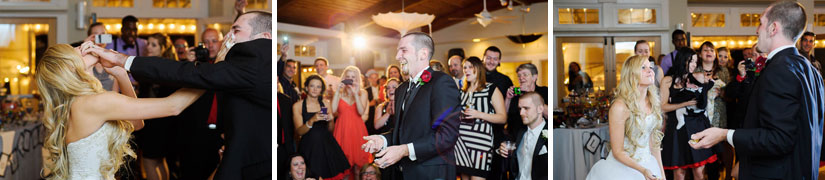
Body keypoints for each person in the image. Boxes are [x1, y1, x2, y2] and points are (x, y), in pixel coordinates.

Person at [85, 11, 274, 179]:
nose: (226, 37)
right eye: (84, 48)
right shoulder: (257, 64)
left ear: (265, 37)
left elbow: (173, 102)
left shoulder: (255, 62)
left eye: (235, 31)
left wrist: (121, 63)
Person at [689, 2, 825, 179]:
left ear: (773, 28)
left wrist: (724, 134)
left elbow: (779, 138)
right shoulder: (810, 70)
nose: (756, 30)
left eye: (761, 23)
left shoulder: (780, 69)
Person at [37, 44, 203, 179]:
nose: (85, 46)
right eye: (79, 50)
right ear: (70, 66)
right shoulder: (93, 103)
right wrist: (212, 75)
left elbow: (136, 124)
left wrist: (121, 75)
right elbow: (173, 106)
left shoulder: (80, 101)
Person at [361, 32, 461, 179]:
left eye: (403, 50)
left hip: (431, 172)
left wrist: (404, 150)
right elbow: (403, 131)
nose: (397, 56)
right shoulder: (402, 89)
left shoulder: (441, 83)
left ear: (423, 53)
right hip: (404, 172)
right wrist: (383, 140)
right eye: (398, 51)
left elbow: (446, 136)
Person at [586, 55, 664, 180]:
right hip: (623, 169)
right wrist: (642, 171)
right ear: (631, 74)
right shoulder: (620, 107)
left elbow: (654, 145)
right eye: (643, 67)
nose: (650, 71)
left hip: (649, 165)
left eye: (650, 67)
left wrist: (662, 174)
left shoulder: (653, 102)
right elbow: (618, 152)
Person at [660, 47, 716, 180]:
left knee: (699, 171)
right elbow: (662, 107)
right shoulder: (668, 80)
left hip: (697, 126)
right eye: (690, 61)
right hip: (677, 129)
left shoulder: (697, 78)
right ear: (682, 60)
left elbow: (703, 102)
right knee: (679, 172)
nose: (693, 65)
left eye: (695, 62)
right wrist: (684, 104)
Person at [453, 57, 507, 180]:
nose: (466, 70)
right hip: (461, 144)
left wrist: (479, 114)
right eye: (465, 67)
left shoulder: (491, 89)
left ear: (479, 69)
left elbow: (503, 117)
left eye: (470, 67)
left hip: (480, 146)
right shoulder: (462, 92)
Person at [136, 33, 179, 180]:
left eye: (153, 45)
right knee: (160, 160)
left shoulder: (159, 67)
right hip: (163, 121)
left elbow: (153, 95)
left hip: (157, 122)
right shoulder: (164, 65)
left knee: (148, 161)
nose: (148, 47)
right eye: (148, 43)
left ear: (163, 48)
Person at [293, 75, 350, 180]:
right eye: (312, 86)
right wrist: (312, 120)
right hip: (309, 147)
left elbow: (330, 130)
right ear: (306, 88)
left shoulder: (325, 104)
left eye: (318, 87)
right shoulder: (298, 106)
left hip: (327, 145)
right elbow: (299, 132)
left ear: (321, 90)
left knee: (333, 175)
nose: (315, 89)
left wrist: (331, 120)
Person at [332, 66, 373, 179]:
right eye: (348, 77)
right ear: (344, 78)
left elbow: (361, 112)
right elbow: (333, 110)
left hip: (357, 131)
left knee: (358, 169)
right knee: (343, 168)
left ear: (357, 79)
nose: (350, 79)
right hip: (342, 131)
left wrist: (355, 93)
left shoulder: (363, 93)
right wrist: (337, 91)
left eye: (353, 77)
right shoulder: (339, 93)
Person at [499, 92, 549, 180]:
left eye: (526, 108)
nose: (521, 113)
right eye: (520, 109)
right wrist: (502, 150)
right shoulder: (517, 133)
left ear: (540, 109)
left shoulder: (550, 134)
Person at [505, 63, 549, 138]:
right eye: (519, 76)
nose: (521, 78)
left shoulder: (544, 91)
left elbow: (548, 115)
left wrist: (530, 93)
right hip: (515, 136)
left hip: (538, 136)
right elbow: (504, 117)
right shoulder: (516, 94)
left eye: (525, 75)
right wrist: (508, 98)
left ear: (534, 77)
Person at [76, 22, 121, 92]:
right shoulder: (85, 61)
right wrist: (84, 47)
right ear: (90, 38)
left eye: (103, 35)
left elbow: (115, 92)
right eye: (96, 35)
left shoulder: (112, 60)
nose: (100, 39)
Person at [365, 69, 381, 135]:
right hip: (370, 118)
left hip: (380, 116)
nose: (374, 80)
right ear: (369, 79)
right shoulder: (365, 90)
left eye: (375, 77)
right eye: (372, 78)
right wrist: (369, 104)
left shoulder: (382, 88)